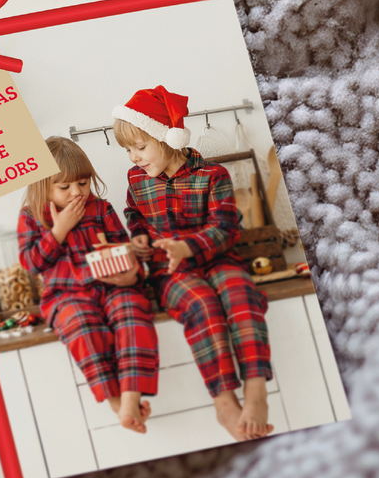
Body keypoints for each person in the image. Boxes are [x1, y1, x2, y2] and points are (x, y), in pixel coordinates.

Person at [113, 86, 274, 441]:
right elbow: (134, 215)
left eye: (140, 147)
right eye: (127, 150)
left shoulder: (213, 176)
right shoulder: (136, 180)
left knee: (241, 293)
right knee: (202, 305)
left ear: (167, 138)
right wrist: (139, 237)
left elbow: (226, 229)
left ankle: (257, 392)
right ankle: (224, 401)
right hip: (171, 272)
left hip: (217, 258)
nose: (133, 158)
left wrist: (187, 247)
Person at [19, 136, 158, 433]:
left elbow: (124, 250)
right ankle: (117, 403)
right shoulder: (31, 216)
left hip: (113, 287)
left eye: (82, 183)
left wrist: (131, 275)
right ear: (43, 185)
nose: (76, 193)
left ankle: (132, 396)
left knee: (133, 311)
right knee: (82, 325)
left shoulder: (101, 208)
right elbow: (31, 263)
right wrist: (59, 229)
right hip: (66, 295)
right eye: (65, 187)